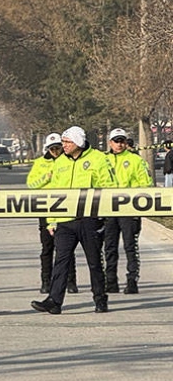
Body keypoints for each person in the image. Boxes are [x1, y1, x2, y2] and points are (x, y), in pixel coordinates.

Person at [32, 126, 117, 315]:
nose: (64, 146)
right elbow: (55, 192)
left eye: (68, 142)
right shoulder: (60, 162)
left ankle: (100, 299)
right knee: (61, 261)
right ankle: (54, 301)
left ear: (78, 142)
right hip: (64, 220)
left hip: (89, 220)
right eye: (63, 142)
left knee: (94, 262)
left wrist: (103, 216)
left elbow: (109, 187)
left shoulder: (98, 159)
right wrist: (52, 220)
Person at [102, 128, 151, 294]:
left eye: (122, 140)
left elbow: (145, 182)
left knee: (130, 245)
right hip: (109, 210)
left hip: (129, 209)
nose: (119, 144)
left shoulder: (135, 160)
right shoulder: (103, 160)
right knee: (109, 247)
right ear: (110, 143)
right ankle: (111, 281)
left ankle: (132, 280)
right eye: (116, 141)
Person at [27, 133, 74, 294]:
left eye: (58, 148)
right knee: (47, 248)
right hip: (46, 209)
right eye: (52, 148)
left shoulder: (69, 161)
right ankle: (46, 281)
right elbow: (31, 184)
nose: (55, 151)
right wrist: (46, 178)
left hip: (66, 207)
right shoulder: (40, 163)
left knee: (66, 248)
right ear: (47, 149)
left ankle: (70, 281)